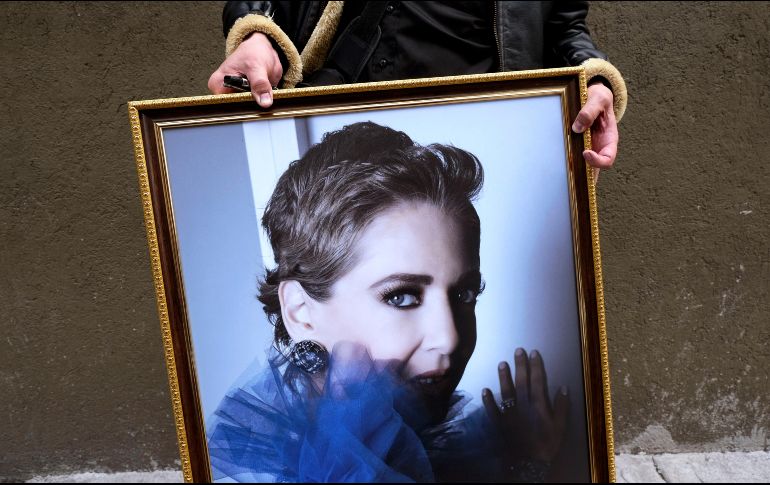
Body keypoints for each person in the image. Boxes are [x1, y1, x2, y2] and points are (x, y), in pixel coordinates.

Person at [206, 122, 571, 482]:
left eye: (464, 294)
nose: (449, 338)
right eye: (402, 296)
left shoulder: (411, 444)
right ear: (300, 311)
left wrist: (530, 460)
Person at [208, 1, 627, 177]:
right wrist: (256, 35)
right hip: (342, 121)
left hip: (485, 132)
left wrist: (594, 80)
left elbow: (565, 28)